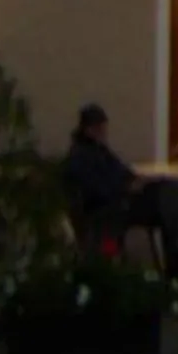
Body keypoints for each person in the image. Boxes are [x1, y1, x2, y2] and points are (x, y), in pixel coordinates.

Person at [61, 102, 140, 249]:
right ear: (88, 129)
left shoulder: (101, 150)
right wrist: (123, 189)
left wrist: (132, 181)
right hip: (99, 211)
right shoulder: (80, 156)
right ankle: (109, 258)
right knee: (109, 232)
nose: (103, 132)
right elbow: (95, 189)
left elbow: (121, 170)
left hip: (115, 204)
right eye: (99, 128)